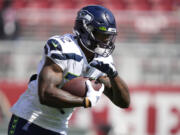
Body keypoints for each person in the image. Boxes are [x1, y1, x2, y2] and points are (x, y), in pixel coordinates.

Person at [8, 5, 130, 135]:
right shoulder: (63, 48)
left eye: (108, 37)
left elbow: (123, 102)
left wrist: (114, 75)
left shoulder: (102, 60)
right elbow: (45, 94)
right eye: (101, 35)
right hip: (29, 120)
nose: (106, 41)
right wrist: (85, 101)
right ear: (85, 30)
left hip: (58, 127)